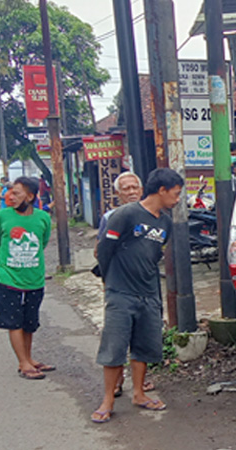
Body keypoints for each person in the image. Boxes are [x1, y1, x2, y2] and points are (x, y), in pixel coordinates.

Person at [92, 168, 183, 424]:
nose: (177, 200)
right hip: (120, 292)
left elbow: (156, 255)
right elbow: (104, 251)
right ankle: (108, 400)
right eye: (175, 194)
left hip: (149, 293)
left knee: (143, 346)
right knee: (114, 346)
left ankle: (139, 393)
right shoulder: (125, 214)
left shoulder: (165, 222)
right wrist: (111, 282)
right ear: (161, 190)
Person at [95, 171, 154, 397]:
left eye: (134, 187)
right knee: (117, 336)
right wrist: (107, 280)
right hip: (118, 286)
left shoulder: (152, 215)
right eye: (126, 189)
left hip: (144, 286)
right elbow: (101, 251)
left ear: (141, 190)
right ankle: (116, 383)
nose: (131, 192)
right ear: (118, 194)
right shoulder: (110, 218)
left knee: (142, 337)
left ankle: (141, 384)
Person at [0, 176, 53, 380]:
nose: (11, 197)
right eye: (10, 193)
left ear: (30, 196)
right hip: (6, 277)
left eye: (17, 193)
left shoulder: (43, 218)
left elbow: (42, 243)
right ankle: (23, 363)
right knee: (14, 322)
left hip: (34, 278)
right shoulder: (2, 216)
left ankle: (29, 358)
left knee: (29, 322)